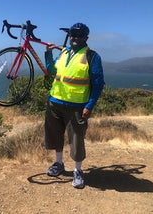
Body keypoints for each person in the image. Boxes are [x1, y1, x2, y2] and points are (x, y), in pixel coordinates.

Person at [44, 22, 104, 189]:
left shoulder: (92, 56)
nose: (75, 38)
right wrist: (48, 54)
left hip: (77, 106)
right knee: (55, 135)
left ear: (86, 37)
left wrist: (90, 105)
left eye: (79, 35)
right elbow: (51, 71)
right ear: (70, 36)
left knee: (76, 140)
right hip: (55, 101)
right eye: (73, 35)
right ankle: (58, 164)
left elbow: (98, 84)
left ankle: (78, 171)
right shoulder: (64, 53)